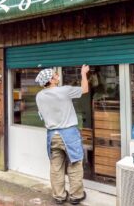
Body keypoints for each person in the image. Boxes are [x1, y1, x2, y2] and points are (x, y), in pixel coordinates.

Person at [35, 65, 89, 205]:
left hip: (52, 136)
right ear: (51, 80)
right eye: (55, 75)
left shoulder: (39, 96)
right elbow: (85, 89)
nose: (58, 76)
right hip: (69, 134)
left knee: (56, 166)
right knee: (75, 164)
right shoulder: (64, 91)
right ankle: (76, 195)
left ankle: (59, 196)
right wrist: (83, 73)